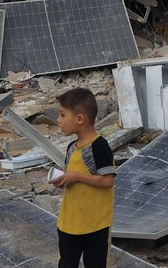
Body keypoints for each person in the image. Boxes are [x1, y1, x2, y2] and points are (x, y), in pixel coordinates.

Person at [49, 88, 116, 268]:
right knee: (67, 264)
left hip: (95, 226)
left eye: (62, 115)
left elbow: (108, 181)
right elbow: (72, 177)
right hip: (69, 223)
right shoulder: (72, 147)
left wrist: (77, 176)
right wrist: (63, 179)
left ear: (79, 119)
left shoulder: (99, 146)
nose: (58, 121)